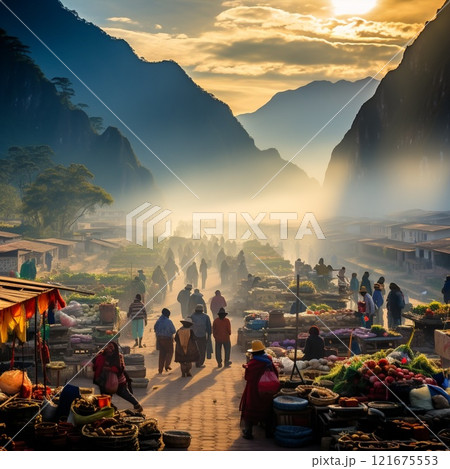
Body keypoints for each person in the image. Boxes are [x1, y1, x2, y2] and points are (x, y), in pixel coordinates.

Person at [239, 340, 278, 440]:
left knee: (250, 409)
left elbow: (247, 377)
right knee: (267, 409)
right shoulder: (268, 359)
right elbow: (276, 373)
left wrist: (246, 368)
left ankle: (248, 432)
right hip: (267, 390)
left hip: (254, 390)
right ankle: (269, 432)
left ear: (253, 353)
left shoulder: (253, 362)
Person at [93, 342, 143, 412]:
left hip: (119, 382)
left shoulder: (118, 357)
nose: (109, 349)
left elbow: (118, 369)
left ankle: (137, 405)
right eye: (108, 346)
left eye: (111, 347)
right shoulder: (102, 356)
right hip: (106, 382)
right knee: (106, 396)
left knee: (125, 394)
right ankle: (110, 409)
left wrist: (108, 368)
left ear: (115, 349)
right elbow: (96, 365)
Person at [154, 308, 176, 374]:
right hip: (167, 339)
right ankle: (167, 365)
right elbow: (173, 330)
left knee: (162, 354)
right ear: (167, 315)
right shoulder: (169, 321)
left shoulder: (158, 321)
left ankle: (160, 369)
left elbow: (155, 328)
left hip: (160, 339)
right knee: (170, 351)